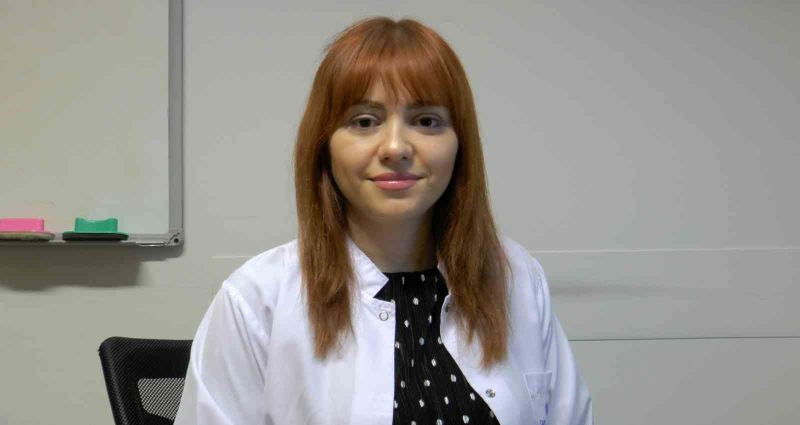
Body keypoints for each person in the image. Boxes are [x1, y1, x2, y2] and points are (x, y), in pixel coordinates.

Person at [174, 16, 593, 425]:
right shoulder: (256, 299)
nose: (395, 147)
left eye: (426, 121)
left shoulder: (516, 277)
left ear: (460, 144)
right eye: (364, 121)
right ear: (324, 146)